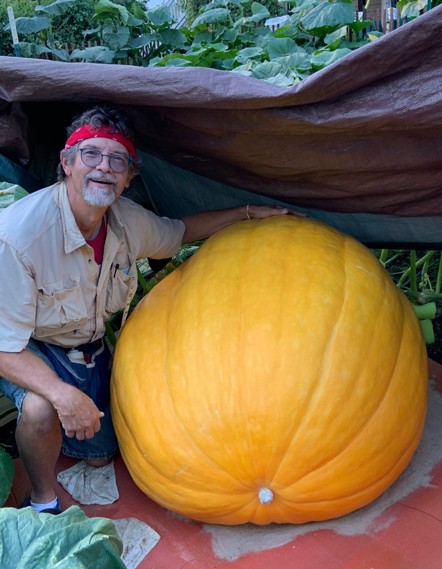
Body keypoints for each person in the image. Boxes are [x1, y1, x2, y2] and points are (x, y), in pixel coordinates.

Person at [0, 105, 290, 514]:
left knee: (100, 455)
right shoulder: (19, 237)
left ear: (128, 177)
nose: (104, 167)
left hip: (84, 347)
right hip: (27, 345)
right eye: (91, 154)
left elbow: (180, 232)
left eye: (117, 160)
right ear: (67, 163)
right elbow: (4, 348)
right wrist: (61, 394)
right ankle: (43, 500)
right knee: (42, 407)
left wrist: (245, 213)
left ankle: (71, 421)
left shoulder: (127, 222)